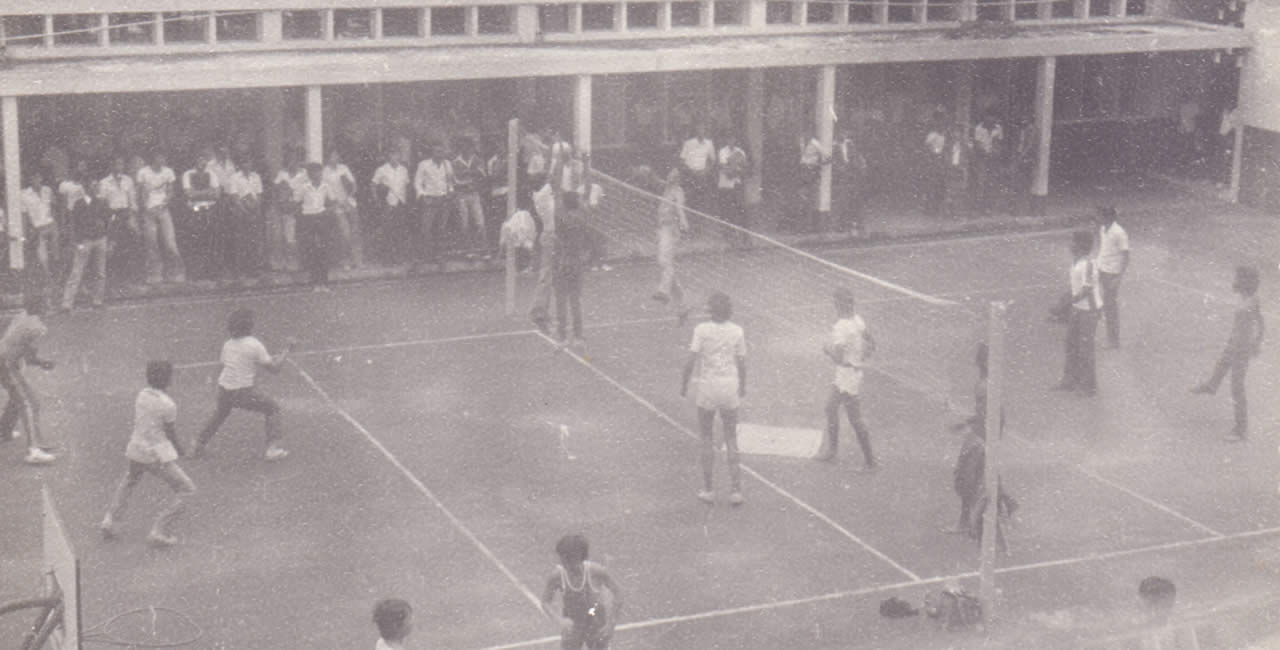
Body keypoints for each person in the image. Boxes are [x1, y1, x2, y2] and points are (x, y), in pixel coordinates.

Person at [100, 361, 196, 547]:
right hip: (154, 455)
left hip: (135, 450)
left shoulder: (141, 395)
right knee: (188, 490)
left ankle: (110, 521)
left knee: (129, 482)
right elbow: (170, 432)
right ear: (168, 379)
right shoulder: (168, 405)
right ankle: (160, 531)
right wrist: (182, 451)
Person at [191, 307, 294, 461]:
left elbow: (223, 366)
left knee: (220, 414)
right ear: (250, 326)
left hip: (224, 389)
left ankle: (197, 445)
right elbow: (275, 369)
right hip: (243, 392)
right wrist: (287, 350)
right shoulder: (254, 344)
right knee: (273, 408)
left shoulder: (228, 344)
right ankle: (272, 449)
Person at [681, 292, 747, 505]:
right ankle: (736, 490)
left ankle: (709, 489)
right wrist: (742, 387)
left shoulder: (701, 330)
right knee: (731, 437)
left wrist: (684, 385)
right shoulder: (737, 331)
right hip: (729, 387)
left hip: (708, 388)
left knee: (707, 437)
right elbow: (742, 364)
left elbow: (691, 361)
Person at [1191, 265, 1264, 442]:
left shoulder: (1251, 301)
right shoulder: (1245, 298)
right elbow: (1260, 322)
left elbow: (1259, 322)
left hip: (1241, 349)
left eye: (1239, 278)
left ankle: (1241, 430)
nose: (1235, 281)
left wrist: (1255, 343)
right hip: (1234, 344)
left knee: (1237, 388)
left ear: (1247, 282)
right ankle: (1212, 385)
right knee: (1221, 365)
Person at [816, 287, 878, 471]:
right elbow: (872, 343)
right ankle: (833, 451)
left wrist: (826, 350)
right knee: (830, 408)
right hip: (852, 373)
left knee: (854, 419)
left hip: (846, 375)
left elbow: (838, 357)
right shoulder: (857, 320)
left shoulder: (841, 327)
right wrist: (862, 356)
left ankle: (870, 462)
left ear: (837, 305)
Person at [540, 534, 623, 650]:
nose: (564, 563)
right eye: (562, 558)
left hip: (596, 621)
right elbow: (545, 602)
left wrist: (610, 624)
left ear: (579, 556)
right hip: (573, 625)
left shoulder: (596, 571)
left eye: (568, 558)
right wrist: (560, 621)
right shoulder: (557, 576)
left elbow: (618, 594)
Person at [0, 294, 56, 464]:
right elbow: (30, 357)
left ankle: (4, 431)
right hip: (6, 365)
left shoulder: (21, 316)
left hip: (6, 362)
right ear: (42, 307)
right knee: (28, 403)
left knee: (20, 399)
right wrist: (44, 363)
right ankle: (33, 450)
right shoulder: (37, 327)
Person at [1053, 231, 1102, 396]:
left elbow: (1087, 290)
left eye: (1072, 242)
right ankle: (1070, 380)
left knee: (1085, 349)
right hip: (1077, 309)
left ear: (1080, 245)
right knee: (1070, 344)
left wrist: (1067, 303)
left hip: (1089, 311)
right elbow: (1075, 288)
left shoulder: (1088, 264)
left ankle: (1088, 387)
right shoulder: (1075, 263)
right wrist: (1068, 301)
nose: (1069, 244)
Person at [60, 180, 111, 311]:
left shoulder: (102, 202)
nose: (96, 189)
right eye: (94, 186)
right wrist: (77, 242)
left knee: (100, 272)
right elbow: (74, 224)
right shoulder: (79, 204)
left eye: (97, 186)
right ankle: (67, 303)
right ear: (87, 188)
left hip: (100, 239)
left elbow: (108, 220)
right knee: (77, 271)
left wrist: (107, 236)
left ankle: (97, 301)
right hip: (85, 240)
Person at [136, 152, 186, 283]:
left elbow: (171, 191)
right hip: (149, 212)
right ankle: (154, 275)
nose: (163, 159)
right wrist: (147, 208)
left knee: (170, 242)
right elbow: (141, 193)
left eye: (164, 157)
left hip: (163, 210)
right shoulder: (143, 172)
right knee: (152, 243)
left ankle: (176, 273)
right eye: (160, 157)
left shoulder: (168, 172)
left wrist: (164, 204)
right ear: (154, 158)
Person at [651, 168, 690, 324]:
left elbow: (680, 207)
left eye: (675, 174)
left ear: (678, 179)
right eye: (671, 173)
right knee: (665, 264)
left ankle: (664, 291)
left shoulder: (677, 191)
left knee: (664, 262)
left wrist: (683, 220)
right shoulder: (666, 188)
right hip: (662, 229)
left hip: (671, 229)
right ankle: (683, 305)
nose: (672, 176)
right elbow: (655, 180)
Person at [553, 194, 589, 347]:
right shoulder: (581, 219)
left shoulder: (560, 219)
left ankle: (561, 337)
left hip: (563, 261)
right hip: (576, 261)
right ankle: (578, 337)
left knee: (561, 299)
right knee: (575, 300)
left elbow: (559, 240)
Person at [182, 150, 223, 279]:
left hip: (209, 209)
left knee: (210, 241)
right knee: (196, 241)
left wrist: (198, 192)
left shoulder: (212, 174)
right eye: (199, 160)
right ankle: (195, 273)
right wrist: (207, 191)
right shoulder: (188, 174)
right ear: (195, 161)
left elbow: (217, 194)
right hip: (195, 210)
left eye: (203, 160)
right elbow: (189, 194)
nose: (201, 163)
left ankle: (210, 272)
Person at [98, 156, 140, 282]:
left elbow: (132, 200)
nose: (119, 167)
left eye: (121, 164)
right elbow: (103, 202)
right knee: (112, 245)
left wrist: (133, 216)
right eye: (116, 164)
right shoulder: (104, 182)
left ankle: (131, 275)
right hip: (112, 214)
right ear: (111, 165)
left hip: (126, 213)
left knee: (133, 239)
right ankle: (112, 276)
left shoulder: (128, 180)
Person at [296, 162, 336, 291]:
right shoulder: (304, 187)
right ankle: (315, 283)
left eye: (319, 172)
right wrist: (302, 217)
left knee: (323, 250)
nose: (317, 174)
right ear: (309, 174)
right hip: (308, 219)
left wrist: (328, 211)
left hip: (322, 218)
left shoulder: (326, 186)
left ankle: (324, 283)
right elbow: (296, 202)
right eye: (314, 172)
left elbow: (333, 202)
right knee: (312, 250)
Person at [1094, 206, 1129, 349]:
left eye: (1099, 216)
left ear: (1106, 217)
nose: (1097, 218)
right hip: (1100, 268)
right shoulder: (1103, 229)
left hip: (1112, 273)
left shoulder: (1119, 233)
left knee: (1110, 307)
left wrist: (1119, 278)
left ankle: (1113, 341)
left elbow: (1126, 256)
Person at [414, 144, 454, 263]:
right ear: (432, 153)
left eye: (441, 152)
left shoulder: (447, 164)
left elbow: (450, 180)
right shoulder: (424, 165)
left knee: (441, 229)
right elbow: (417, 182)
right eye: (437, 152)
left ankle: (439, 256)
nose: (440, 154)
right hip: (430, 199)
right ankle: (425, 256)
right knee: (426, 228)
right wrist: (422, 195)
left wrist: (450, 191)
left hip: (443, 199)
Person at [370, 149, 411, 265]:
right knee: (387, 231)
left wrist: (405, 201)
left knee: (400, 230)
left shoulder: (403, 170)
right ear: (388, 156)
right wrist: (376, 200)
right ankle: (387, 259)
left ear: (399, 156)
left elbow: (406, 185)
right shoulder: (382, 169)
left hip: (400, 202)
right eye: (392, 154)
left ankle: (399, 258)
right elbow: (373, 185)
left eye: (397, 154)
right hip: (387, 203)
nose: (394, 157)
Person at [323, 150, 361, 270]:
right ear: (328, 158)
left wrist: (349, 197)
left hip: (349, 203)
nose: (335, 158)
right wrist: (337, 202)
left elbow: (353, 185)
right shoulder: (325, 172)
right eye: (332, 156)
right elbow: (327, 191)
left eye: (336, 155)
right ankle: (344, 260)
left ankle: (356, 260)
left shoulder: (344, 168)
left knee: (355, 232)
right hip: (337, 205)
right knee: (345, 233)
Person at [270, 153, 306, 272]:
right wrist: (282, 200)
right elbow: (275, 190)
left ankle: (293, 262)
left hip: (296, 208)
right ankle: (279, 263)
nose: (292, 163)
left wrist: (297, 205)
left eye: (294, 160)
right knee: (278, 235)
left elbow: (306, 191)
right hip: (281, 207)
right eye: (290, 160)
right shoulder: (282, 174)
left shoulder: (304, 174)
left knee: (291, 237)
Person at [452, 138, 488, 251]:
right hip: (461, 195)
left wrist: (469, 174)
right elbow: (454, 180)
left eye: (468, 147)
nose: (466, 149)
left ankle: (482, 248)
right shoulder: (455, 162)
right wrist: (470, 175)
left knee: (480, 223)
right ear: (460, 148)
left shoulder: (477, 160)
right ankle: (467, 249)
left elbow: (483, 175)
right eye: (464, 146)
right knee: (464, 224)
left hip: (474, 194)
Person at [716, 133, 749, 247]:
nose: (731, 140)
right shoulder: (722, 151)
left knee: (740, 210)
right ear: (726, 140)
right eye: (729, 138)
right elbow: (726, 171)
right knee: (727, 211)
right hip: (725, 185)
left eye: (733, 138)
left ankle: (742, 237)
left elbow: (745, 169)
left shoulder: (740, 151)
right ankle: (728, 237)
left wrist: (734, 167)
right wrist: (735, 167)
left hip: (737, 185)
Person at [679, 124, 716, 216]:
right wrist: (691, 171)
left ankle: (699, 219)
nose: (701, 132)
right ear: (696, 131)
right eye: (699, 129)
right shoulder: (688, 143)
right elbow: (682, 160)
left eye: (703, 130)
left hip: (702, 175)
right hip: (690, 174)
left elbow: (713, 160)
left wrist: (706, 171)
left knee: (701, 199)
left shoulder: (709, 143)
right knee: (689, 199)